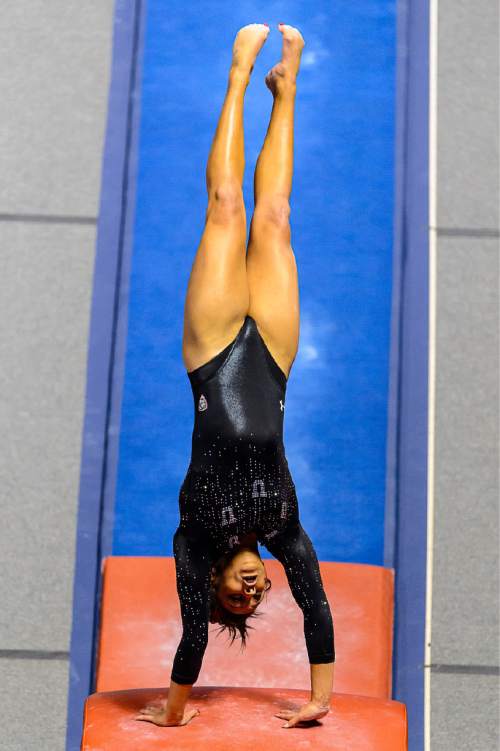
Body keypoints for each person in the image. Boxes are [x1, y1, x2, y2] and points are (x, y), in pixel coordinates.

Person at [135, 22, 335, 730]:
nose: (251, 591)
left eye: (236, 598)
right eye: (256, 597)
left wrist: (173, 709)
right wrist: (318, 697)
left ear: (215, 584)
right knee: (275, 220)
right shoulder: (284, 529)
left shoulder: (193, 541)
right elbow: (314, 603)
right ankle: (288, 85)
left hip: (215, 354)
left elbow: (192, 638)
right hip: (273, 363)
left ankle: (240, 77)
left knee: (227, 212)